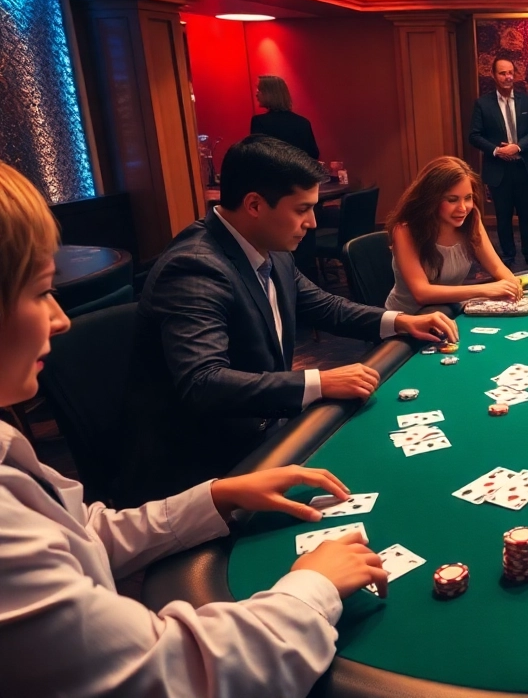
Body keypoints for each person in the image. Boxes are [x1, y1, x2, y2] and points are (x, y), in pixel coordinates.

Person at [0, 161, 388, 697]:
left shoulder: (7, 446)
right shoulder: (196, 265)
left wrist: (218, 495)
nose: (60, 319)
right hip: (189, 447)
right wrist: (313, 584)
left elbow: (82, 535)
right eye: (42, 292)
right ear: (255, 205)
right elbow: (174, 675)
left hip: (224, 461)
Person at [126, 135, 456, 505]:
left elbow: (323, 306)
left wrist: (400, 321)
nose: (312, 223)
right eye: (301, 209)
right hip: (205, 466)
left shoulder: (268, 246)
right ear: (254, 204)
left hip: (263, 431)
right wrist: (320, 381)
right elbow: (204, 383)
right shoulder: (196, 267)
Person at [385, 155, 523, 313]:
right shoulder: (405, 230)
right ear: (431, 199)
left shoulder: (472, 219)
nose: (463, 208)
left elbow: (497, 268)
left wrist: (511, 284)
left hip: (450, 312)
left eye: (468, 198)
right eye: (452, 200)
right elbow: (421, 293)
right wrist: (487, 290)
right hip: (407, 322)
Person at [468, 57, 528, 268]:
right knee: (502, 217)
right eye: (502, 73)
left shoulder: (527, 101)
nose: (507, 77)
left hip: (523, 167)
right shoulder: (482, 104)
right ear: (493, 75)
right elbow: (474, 136)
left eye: (510, 72)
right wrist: (497, 151)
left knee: (527, 214)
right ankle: (508, 256)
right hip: (498, 170)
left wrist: (517, 146)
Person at [250, 75, 320, 160]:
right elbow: (313, 154)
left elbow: (256, 155)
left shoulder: (259, 121)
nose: (256, 93)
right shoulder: (303, 122)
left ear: (269, 93)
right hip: (298, 172)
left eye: (259, 89)